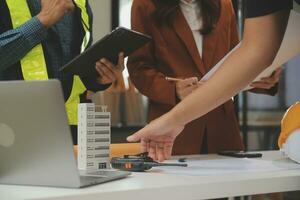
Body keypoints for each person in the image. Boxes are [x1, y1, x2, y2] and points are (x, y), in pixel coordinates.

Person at [127, 0, 296, 161]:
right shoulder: (145, 5)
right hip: (173, 133)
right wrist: (173, 90)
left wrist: (262, 77)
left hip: (221, 126)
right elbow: (139, 68)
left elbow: (241, 57)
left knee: (227, 187)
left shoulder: (223, 4)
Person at [0, 0, 124, 144]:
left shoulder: (80, 3)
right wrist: (41, 22)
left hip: (71, 130)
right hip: (11, 128)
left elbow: (75, 71)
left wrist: (100, 78)